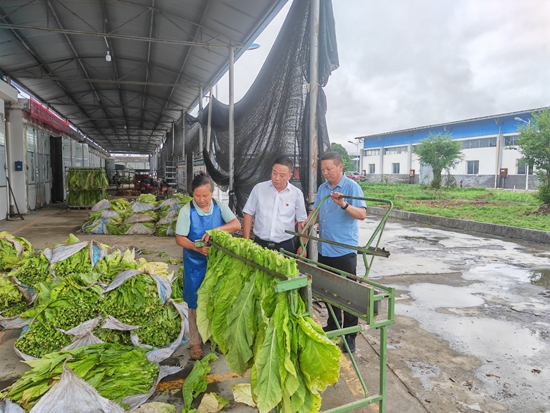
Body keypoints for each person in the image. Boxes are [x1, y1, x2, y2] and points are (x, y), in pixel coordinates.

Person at [175, 172, 241, 360]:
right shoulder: (187, 211)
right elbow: (180, 239)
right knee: (195, 302)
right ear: (192, 194)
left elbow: (235, 224)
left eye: (205, 195)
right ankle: (195, 342)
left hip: (217, 263)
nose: (202, 200)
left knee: (217, 299)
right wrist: (198, 249)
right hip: (195, 264)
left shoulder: (219, 206)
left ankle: (216, 338)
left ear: (212, 193)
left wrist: (215, 230)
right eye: (197, 195)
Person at [309, 151, 367, 353]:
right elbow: (316, 214)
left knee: (348, 294)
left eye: (329, 169)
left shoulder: (352, 187)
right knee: (330, 292)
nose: (325, 173)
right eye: (323, 169)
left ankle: (350, 335)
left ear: (340, 167)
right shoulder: (323, 187)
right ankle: (334, 325)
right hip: (325, 248)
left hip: (344, 250)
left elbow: (361, 214)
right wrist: (305, 226)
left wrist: (343, 204)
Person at [242, 155, 307, 254]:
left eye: (282, 175)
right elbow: (248, 213)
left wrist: (303, 246)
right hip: (259, 245)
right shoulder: (259, 189)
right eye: (274, 173)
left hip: (285, 247)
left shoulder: (296, 194)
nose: (277, 178)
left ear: (290, 176)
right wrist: (245, 241)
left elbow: (302, 221)